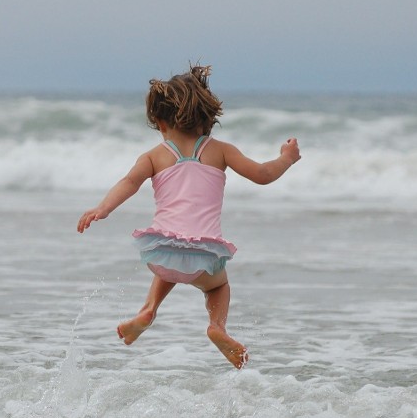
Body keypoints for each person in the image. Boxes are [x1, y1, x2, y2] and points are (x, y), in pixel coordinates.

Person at [77, 65, 300, 369]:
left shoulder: (154, 156)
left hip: (161, 252)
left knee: (171, 257)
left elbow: (129, 182)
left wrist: (101, 208)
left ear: (161, 122)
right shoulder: (221, 150)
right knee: (218, 287)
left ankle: (148, 310)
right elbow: (262, 175)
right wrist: (286, 158)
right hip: (204, 257)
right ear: (208, 117)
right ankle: (217, 327)